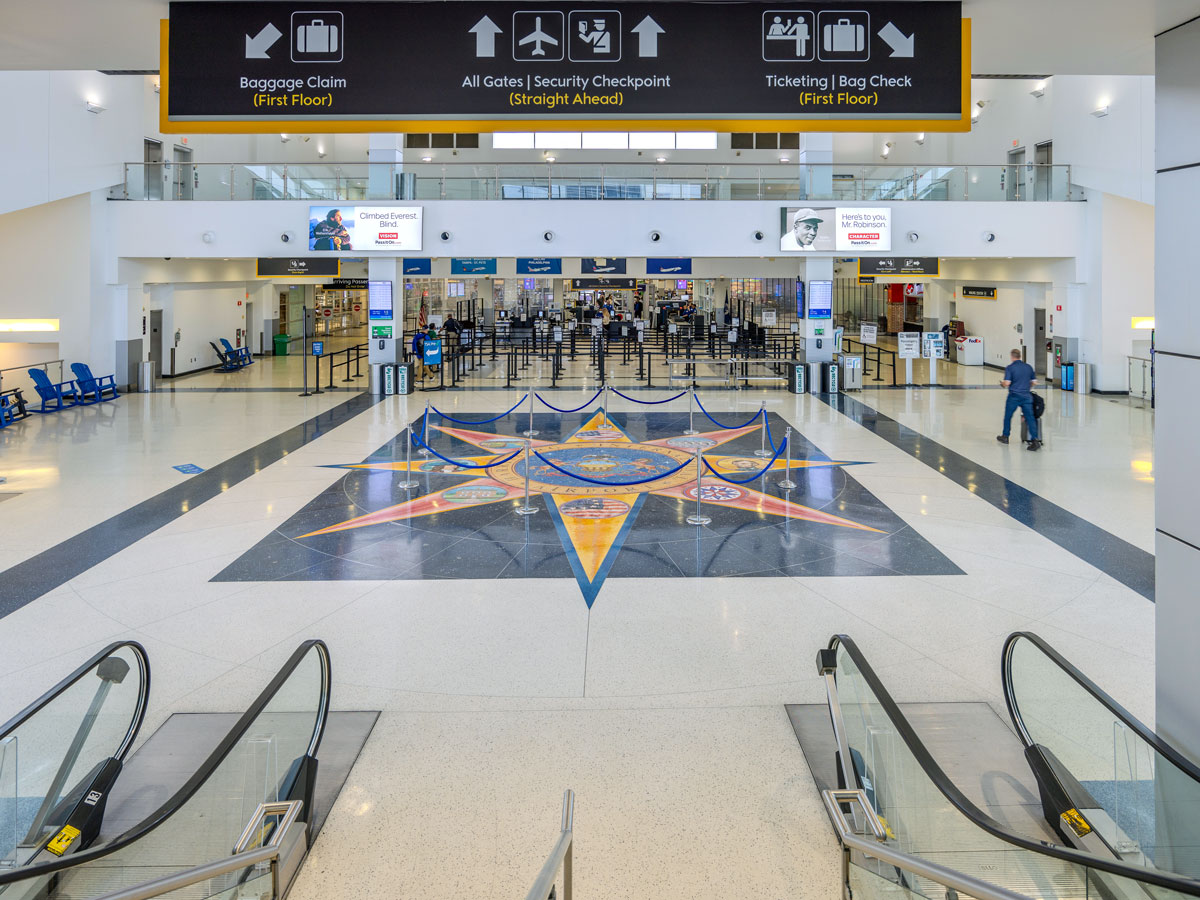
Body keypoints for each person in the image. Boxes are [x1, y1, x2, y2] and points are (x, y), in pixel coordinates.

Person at [998, 348, 1041, 450]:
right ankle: (1035, 440)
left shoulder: (1010, 368)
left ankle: (1005, 436)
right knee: (1030, 418)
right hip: (1026, 396)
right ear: (1020, 356)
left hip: (1014, 396)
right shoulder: (1028, 367)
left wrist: (1002, 384)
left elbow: (1007, 383)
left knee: (1008, 416)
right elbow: (1034, 382)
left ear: (1012, 357)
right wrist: (1027, 387)